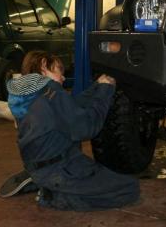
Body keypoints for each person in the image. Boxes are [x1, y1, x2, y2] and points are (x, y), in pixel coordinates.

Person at [7, 50, 140, 211]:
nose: (63, 78)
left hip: (40, 164)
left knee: (107, 178)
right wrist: (106, 91)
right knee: (129, 188)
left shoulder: (31, 94)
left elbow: (71, 106)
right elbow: (87, 128)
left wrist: (97, 86)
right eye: (58, 70)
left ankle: (40, 180)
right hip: (61, 169)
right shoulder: (52, 91)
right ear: (43, 65)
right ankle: (53, 196)